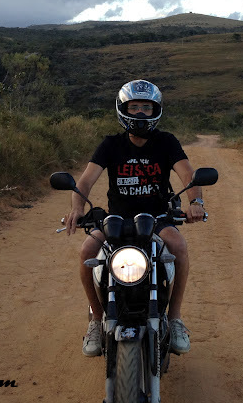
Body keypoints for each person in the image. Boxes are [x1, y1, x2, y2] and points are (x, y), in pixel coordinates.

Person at [64, 79, 206, 357]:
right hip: (116, 219)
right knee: (87, 250)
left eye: (146, 107)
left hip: (157, 217)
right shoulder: (111, 145)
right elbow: (85, 181)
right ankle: (96, 318)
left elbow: (188, 174)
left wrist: (196, 202)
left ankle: (175, 318)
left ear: (156, 111)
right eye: (134, 106)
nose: (140, 113)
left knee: (178, 246)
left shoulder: (166, 142)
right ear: (123, 109)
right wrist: (78, 209)